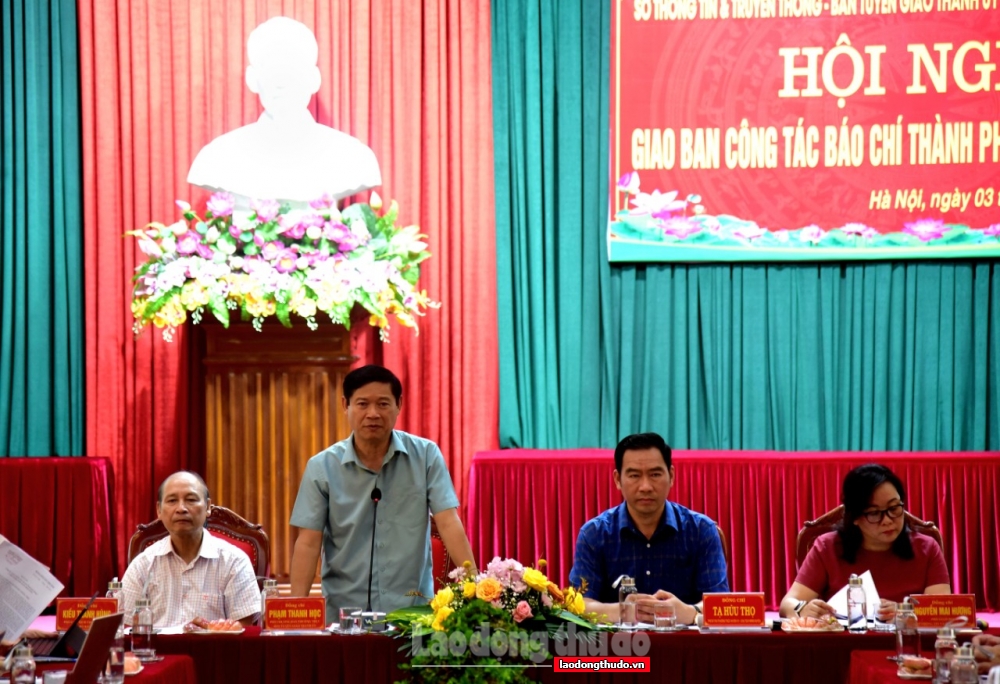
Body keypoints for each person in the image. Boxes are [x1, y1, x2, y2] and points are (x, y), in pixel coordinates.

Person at [288, 365, 476, 617]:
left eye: (383, 404)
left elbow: (448, 523)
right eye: (362, 404)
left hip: (412, 614)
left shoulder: (426, 456)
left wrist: (475, 590)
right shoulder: (322, 467)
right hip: (344, 615)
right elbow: (308, 542)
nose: (373, 414)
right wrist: (295, 612)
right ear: (345, 405)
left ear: (399, 405)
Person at [187, 17, 381, 205]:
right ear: (252, 79)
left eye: (293, 68)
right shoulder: (219, 157)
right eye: (271, 69)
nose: (281, 82)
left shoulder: (352, 157)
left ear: (314, 79)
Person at [568, 432, 729, 625]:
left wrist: (688, 612)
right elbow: (579, 605)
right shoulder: (594, 534)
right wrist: (625, 611)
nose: (645, 486)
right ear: (617, 479)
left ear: (671, 476)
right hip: (621, 643)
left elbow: (720, 604)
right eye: (634, 475)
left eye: (655, 475)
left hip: (684, 642)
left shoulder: (702, 531)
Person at [779, 463, 950, 621]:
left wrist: (906, 612)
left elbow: (941, 611)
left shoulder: (926, 548)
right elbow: (788, 603)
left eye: (894, 508)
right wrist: (802, 609)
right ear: (855, 518)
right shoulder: (827, 547)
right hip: (844, 642)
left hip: (905, 641)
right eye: (874, 513)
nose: (888, 520)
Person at [121, 472, 260, 628]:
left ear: (208, 507)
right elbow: (125, 625)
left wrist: (216, 629)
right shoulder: (143, 565)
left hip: (214, 644)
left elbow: (244, 626)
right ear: (159, 510)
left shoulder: (234, 561)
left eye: (191, 500)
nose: (181, 509)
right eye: (172, 501)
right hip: (156, 645)